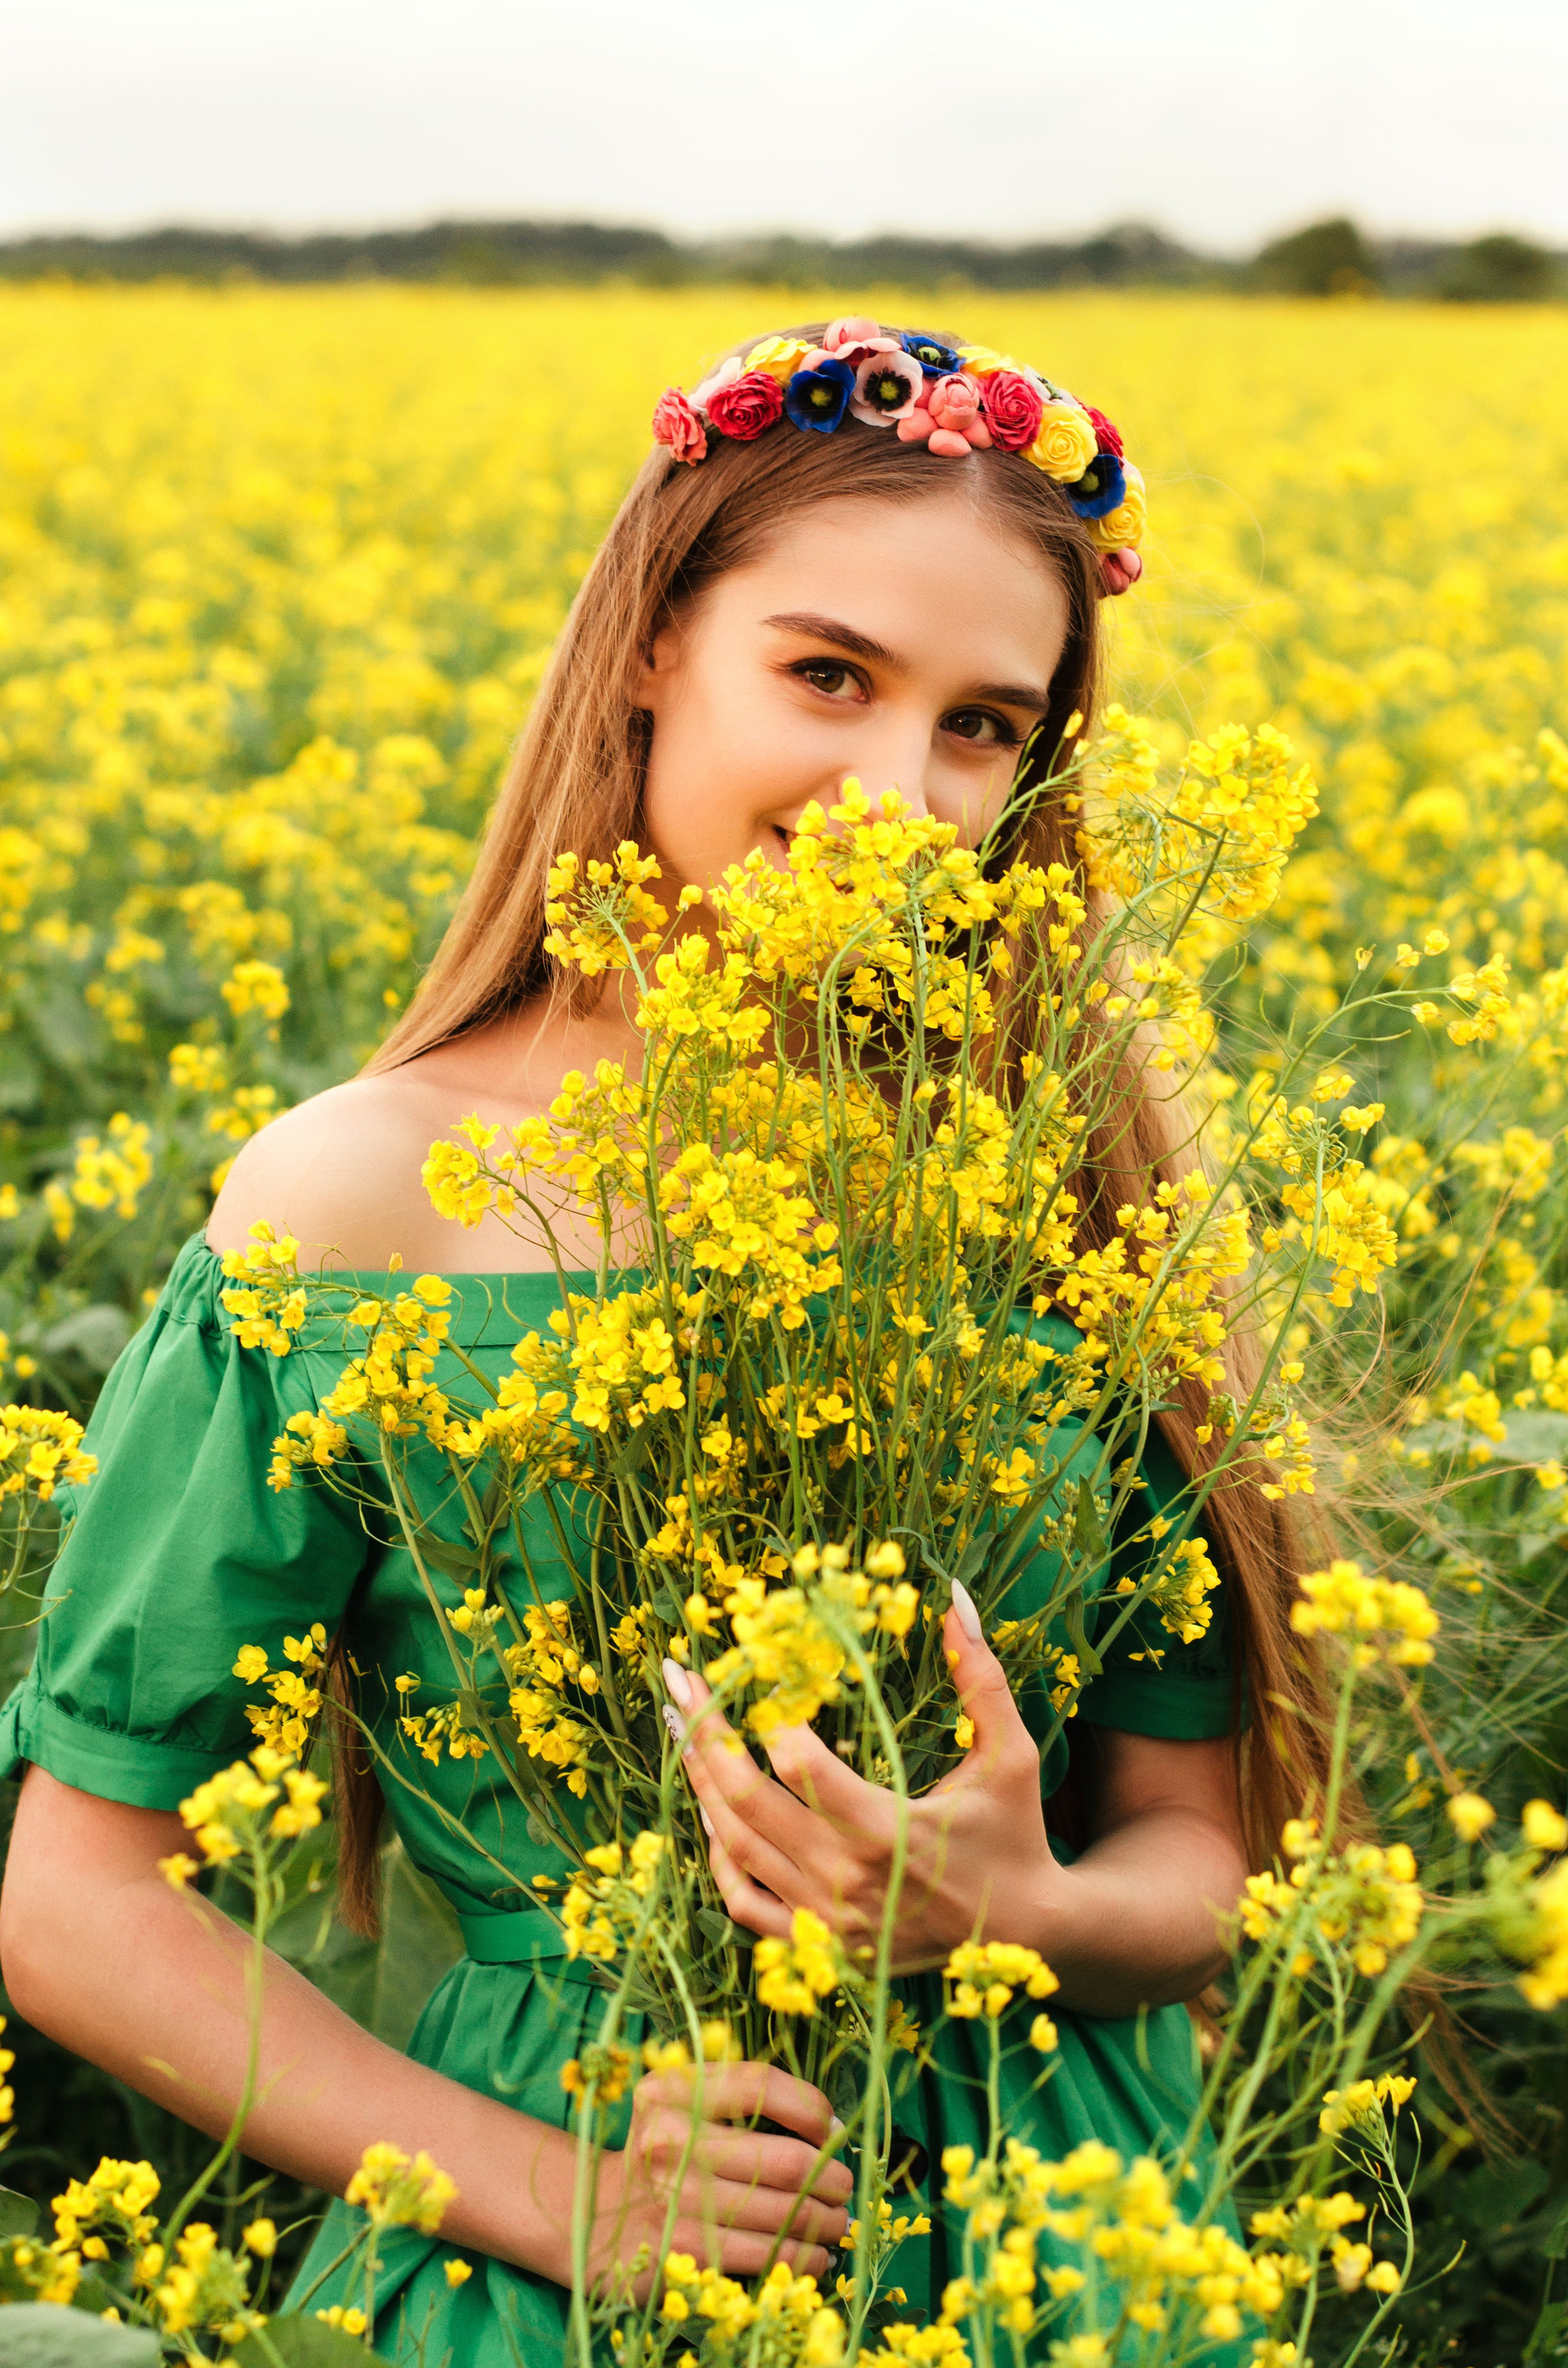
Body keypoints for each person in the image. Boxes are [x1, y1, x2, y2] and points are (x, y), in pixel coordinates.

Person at [0, 317, 1325, 2364]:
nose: (899, 793)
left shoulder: (1060, 1178)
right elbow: (73, 1897)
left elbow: (1197, 1851)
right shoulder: (359, 1201)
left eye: (984, 726)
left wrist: (1025, 1914)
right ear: (650, 648)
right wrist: (560, 2199)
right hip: (572, 2246)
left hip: (1066, 2249)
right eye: (828, 675)